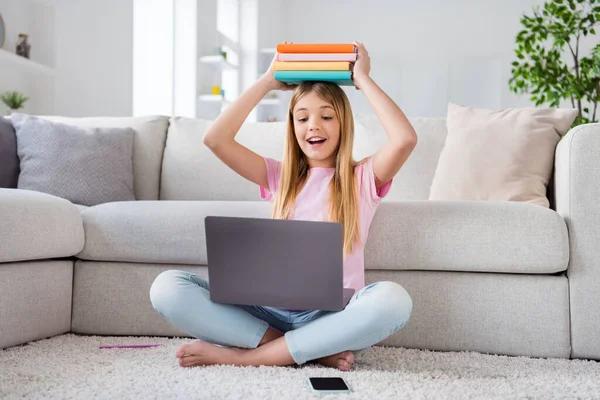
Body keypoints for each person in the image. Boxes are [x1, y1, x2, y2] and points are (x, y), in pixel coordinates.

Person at [150, 41, 417, 371]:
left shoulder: (361, 178)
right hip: (268, 312)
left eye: (326, 116)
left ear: (343, 124)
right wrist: (267, 81)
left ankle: (247, 357)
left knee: (394, 300)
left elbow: (405, 139)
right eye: (302, 118)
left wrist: (361, 78)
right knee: (167, 289)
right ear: (292, 128)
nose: (313, 126)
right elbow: (215, 139)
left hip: (332, 316)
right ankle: (308, 350)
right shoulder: (279, 177)